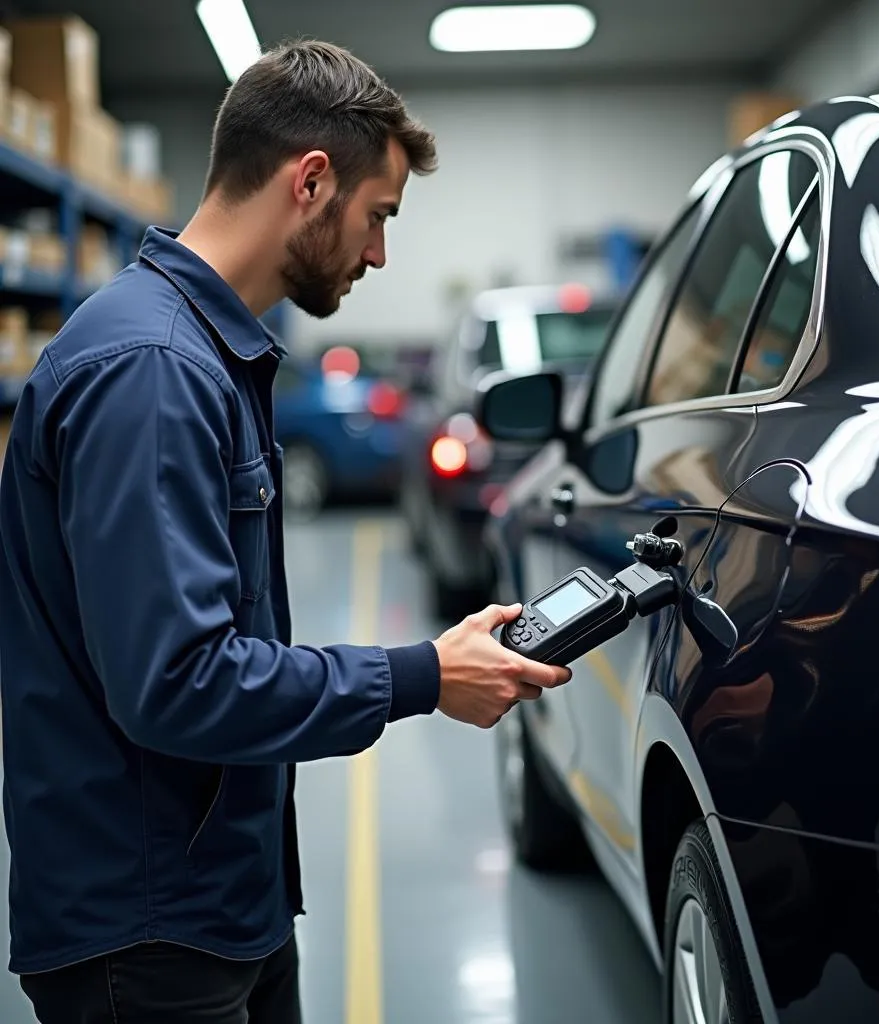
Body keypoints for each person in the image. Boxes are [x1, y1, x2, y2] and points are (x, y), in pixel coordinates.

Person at [0, 39, 570, 1024]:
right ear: (311, 181)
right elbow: (177, 681)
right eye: (377, 216)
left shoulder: (206, 355)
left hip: (222, 901)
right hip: (147, 939)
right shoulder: (153, 370)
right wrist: (423, 675)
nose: (381, 253)